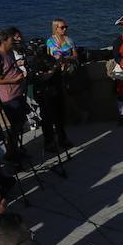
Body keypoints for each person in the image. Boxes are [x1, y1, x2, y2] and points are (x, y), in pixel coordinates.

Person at [0, 29, 28, 156]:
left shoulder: (10, 52)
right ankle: (11, 152)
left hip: (18, 92)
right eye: (12, 39)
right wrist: (14, 80)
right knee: (15, 124)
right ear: (4, 41)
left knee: (21, 122)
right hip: (8, 97)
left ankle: (16, 148)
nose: (14, 41)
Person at [37, 19, 74, 153]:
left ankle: (62, 137)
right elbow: (50, 58)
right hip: (52, 77)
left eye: (66, 27)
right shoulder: (50, 42)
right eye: (62, 27)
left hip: (64, 74)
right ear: (55, 28)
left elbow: (74, 55)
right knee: (49, 113)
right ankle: (51, 141)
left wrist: (65, 59)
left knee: (60, 110)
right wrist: (58, 62)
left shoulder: (69, 40)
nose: (64, 29)